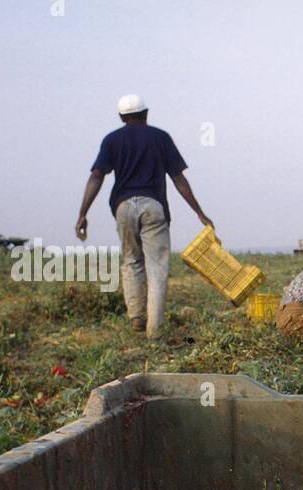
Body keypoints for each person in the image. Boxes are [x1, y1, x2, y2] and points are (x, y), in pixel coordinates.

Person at [76, 94, 212, 336]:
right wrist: (199, 212)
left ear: (121, 117)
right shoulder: (160, 137)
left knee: (131, 261)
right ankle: (154, 329)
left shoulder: (111, 140)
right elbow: (178, 178)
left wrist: (82, 214)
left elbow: (97, 176)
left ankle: (137, 317)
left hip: (123, 207)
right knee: (157, 266)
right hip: (153, 206)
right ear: (146, 114)